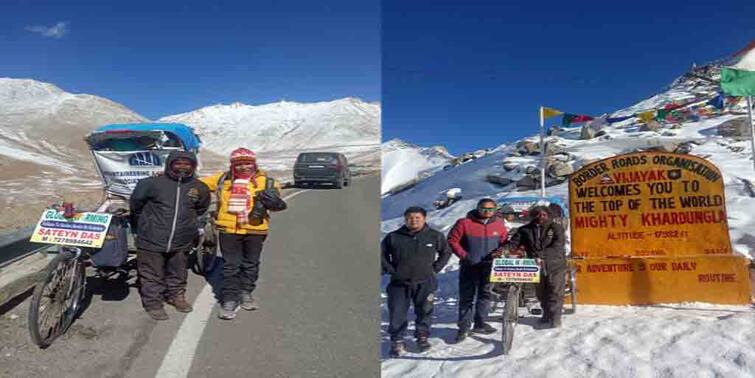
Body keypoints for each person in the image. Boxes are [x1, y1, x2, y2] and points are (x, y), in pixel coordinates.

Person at [201, 148, 282, 320]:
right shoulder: (223, 179)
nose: (243, 167)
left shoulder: (267, 182)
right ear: (233, 165)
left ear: (254, 163)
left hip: (255, 229)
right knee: (231, 265)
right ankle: (229, 298)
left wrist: (274, 201)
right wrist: (164, 175)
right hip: (229, 229)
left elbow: (276, 203)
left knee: (251, 263)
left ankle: (246, 292)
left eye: (247, 163)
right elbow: (198, 183)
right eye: (238, 164)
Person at [130, 151, 211, 321]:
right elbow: (136, 205)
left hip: (182, 239)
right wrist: (145, 225)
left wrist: (189, 227)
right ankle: (154, 303)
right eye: (178, 163)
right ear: (170, 164)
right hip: (151, 237)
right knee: (151, 274)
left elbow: (201, 209)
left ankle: (176, 297)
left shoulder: (200, 187)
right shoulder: (150, 183)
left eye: (187, 163)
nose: (182, 166)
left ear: (193, 166)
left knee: (178, 271)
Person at [381, 206, 452, 358]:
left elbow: (446, 252)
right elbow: (381, 255)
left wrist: (436, 268)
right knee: (397, 313)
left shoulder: (434, 236)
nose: (413, 220)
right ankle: (397, 340)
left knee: (425, 311)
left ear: (424, 219)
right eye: (410, 218)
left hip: (425, 282)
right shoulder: (393, 237)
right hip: (399, 283)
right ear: (405, 219)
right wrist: (391, 270)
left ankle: (422, 337)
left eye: (417, 218)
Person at [447, 198, 508, 343]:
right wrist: (465, 256)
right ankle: (463, 328)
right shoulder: (464, 223)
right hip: (470, 266)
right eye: (483, 208)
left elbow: (504, 241)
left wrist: (500, 251)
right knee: (467, 298)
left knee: (485, 295)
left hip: (489, 266)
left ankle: (480, 323)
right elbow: (452, 240)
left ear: (495, 210)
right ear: (477, 208)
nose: (486, 211)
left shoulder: (499, 225)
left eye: (490, 209)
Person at [508, 206, 566, 328]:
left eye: (544, 214)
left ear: (548, 215)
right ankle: (546, 314)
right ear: (533, 216)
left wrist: (541, 255)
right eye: (537, 214)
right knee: (541, 292)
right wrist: (503, 251)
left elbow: (558, 245)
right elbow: (513, 243)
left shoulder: (556, 228)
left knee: (555, 291)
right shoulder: (524, 230)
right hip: (535, 265)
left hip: (555, 264)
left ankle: (555, 317)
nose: (541, 217)